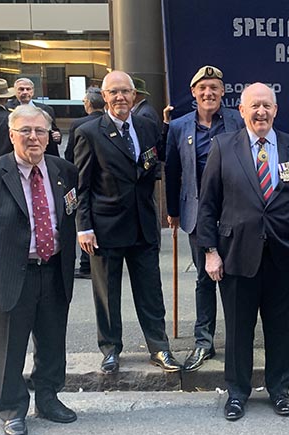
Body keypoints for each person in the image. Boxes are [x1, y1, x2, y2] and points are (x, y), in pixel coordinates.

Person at [0, 105, 79, 435]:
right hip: (11, 274)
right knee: (10, 347)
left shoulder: (63, 170)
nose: (33, 137)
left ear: (50, 134)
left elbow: (67, 215)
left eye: (39, 131)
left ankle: (49, 399)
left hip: (53, 271)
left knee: (52, 342)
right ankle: (11, 408)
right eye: (25, 131)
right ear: (12, 135)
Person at [197, 83, 289, 421]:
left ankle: (280, 389)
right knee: (238, 329)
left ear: (275, 110)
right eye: (254, 106)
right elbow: (208, 205)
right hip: (235, 255)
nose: (260, 112)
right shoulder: (223, 146)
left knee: (283, 328)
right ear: (242, 110)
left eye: (266, 105)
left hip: (286, 257)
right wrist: (209, 252)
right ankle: (237, 392)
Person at [74, 70, 180, 374]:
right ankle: (110, 349)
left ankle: (159, 348)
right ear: (104, 97)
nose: (120, 97)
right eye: (114, 92)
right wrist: (84, 227)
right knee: (107, 293)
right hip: (105, 227)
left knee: (151, 291)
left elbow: (154, 164)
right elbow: (82, 184)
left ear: (134, 96)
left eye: (126, 92)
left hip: (143, 225)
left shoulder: (147, 126)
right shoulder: (90, 132)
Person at [165, 65, 244, 372]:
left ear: (223, 91)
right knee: (204, 279)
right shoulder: (179, 126)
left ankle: (239, 339)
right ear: (194, 93)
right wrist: (172, 210)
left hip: (235, 213)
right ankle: (203, 341)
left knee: (236, 277)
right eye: (202, 88)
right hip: (199, 215)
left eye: (214, 87)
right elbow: (172, 171)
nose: (208, 93)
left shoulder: (238, 121)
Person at [64, 86, 105, 279]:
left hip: (81, 178)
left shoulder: (79, 125)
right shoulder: (106, 123)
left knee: (81, 216)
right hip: (102, 184)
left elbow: (70, 154)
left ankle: (86, 263)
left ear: (87, 103)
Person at [7, 78, 62, 157]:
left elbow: (53, 129)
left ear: (32, 91)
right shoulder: (7, 109)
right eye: (21, 89)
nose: (25, 92)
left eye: (28, 89)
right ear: (15, 91)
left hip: (43, 154)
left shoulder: (46, 109)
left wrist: (57, 136)